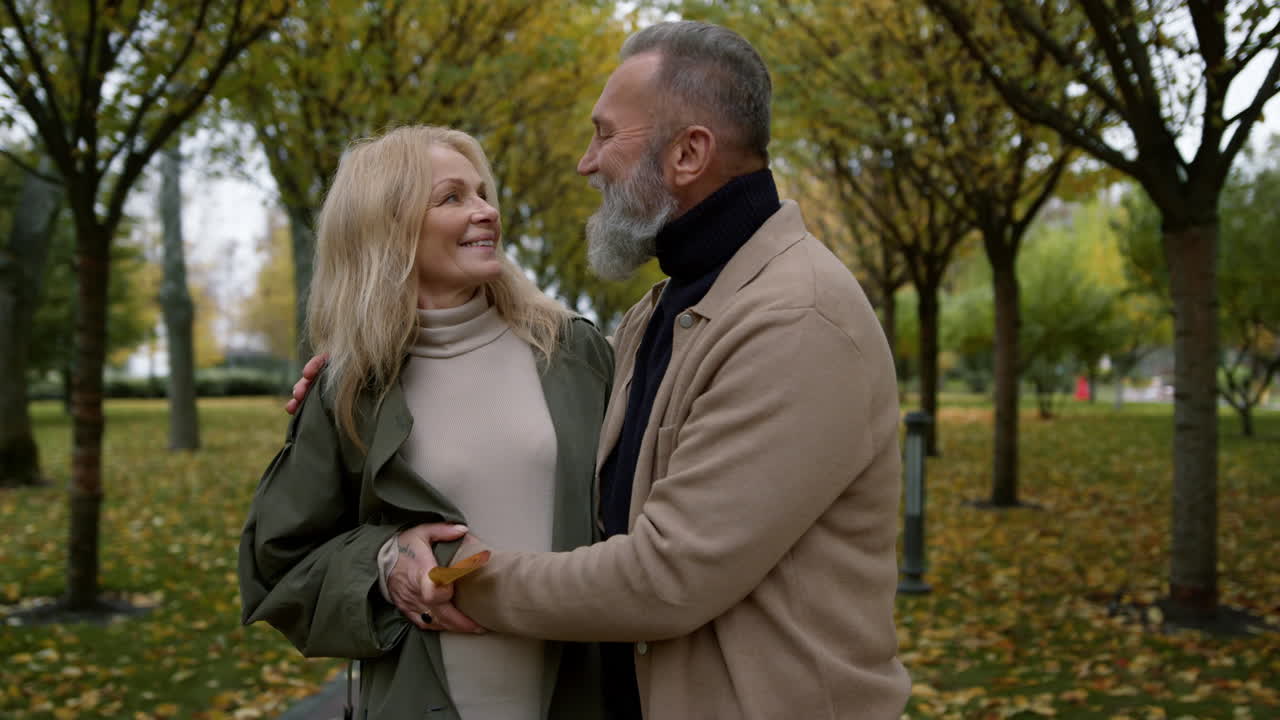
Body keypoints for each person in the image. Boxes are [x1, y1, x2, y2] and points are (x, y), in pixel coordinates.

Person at [291, 21, 910, 720]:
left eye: (604, 134)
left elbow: (664, 577)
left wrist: (444, 581)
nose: (586, 163)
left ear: (688, 153)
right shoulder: (663, 311)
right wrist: (362, 369)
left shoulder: (795, 318)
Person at [238, 125, 612, 720]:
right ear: (388, 229)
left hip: (580, 695)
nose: (487, 211)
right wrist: (385, 564)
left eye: (483, 193)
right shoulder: (349, 388)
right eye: (452, 198)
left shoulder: (573, 353)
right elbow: (278, 564)